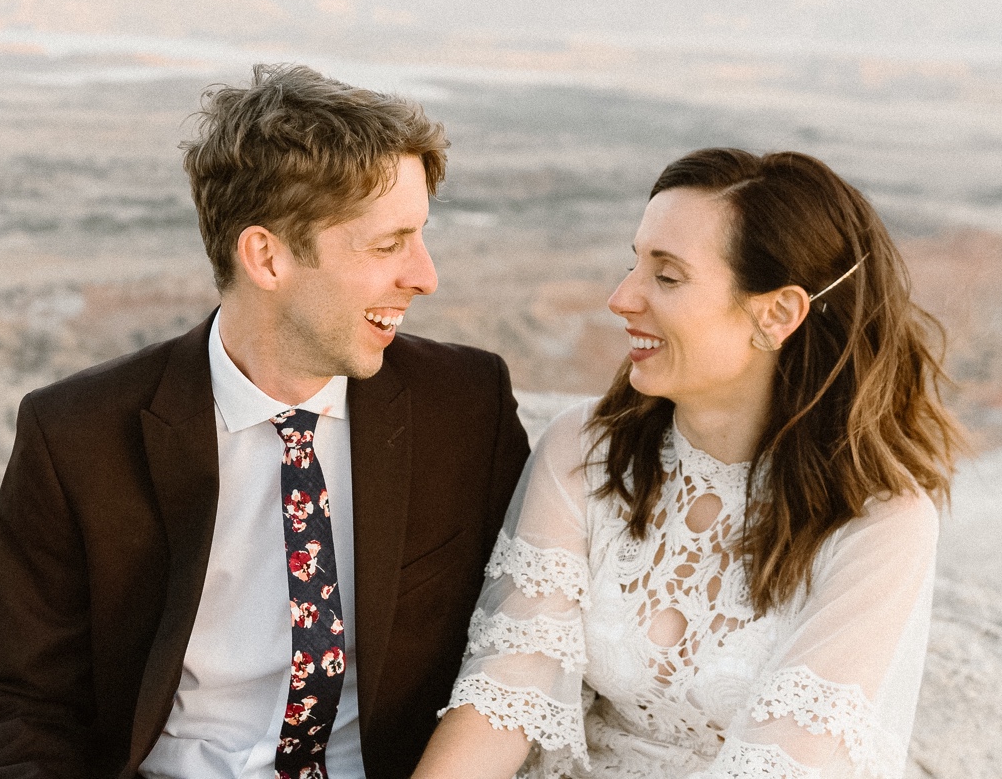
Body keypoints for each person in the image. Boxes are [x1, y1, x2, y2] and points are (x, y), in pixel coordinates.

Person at [0, 64, 532, 779]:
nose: (425, 275)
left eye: (419, 237)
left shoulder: (465, 405)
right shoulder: (77, 435)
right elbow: (25, 705)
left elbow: (513, 651)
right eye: (389, 245)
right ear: (266, 256)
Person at [412, 148, 964, 779]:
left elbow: (778, 765)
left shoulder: (879, 522)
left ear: (777, 313)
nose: (621, 298)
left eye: (667, 277)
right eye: (634, 264)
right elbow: (505, 696)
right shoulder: (585, 450)